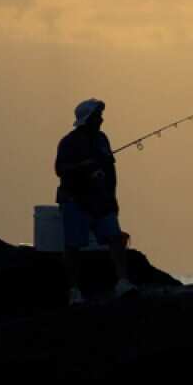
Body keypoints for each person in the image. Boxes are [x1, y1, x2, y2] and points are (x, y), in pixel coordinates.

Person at [55, 99, 136, 305]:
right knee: (73, 245)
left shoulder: (102, 139)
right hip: (75, 200)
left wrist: (113, 196)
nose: (101, 119)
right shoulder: (68, 142)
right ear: (88, 119)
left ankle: (123, 282)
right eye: (98, 116)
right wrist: (82, 166)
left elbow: (110, 170)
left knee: (115, 238)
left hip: (102, 200)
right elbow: (60, 170)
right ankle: (74, 290)